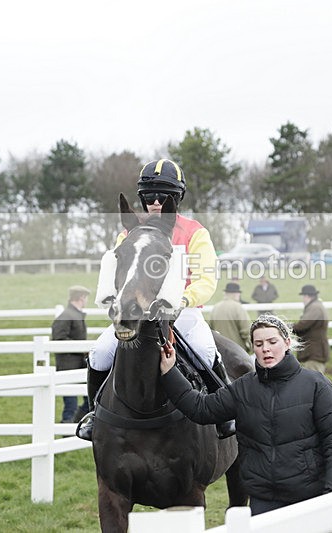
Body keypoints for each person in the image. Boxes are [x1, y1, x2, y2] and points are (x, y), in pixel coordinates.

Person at [78, 158, 233, 440]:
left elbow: (206, 279)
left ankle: (223, 416)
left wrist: (181, 300)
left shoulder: (195, 232)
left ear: (177, 198)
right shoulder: (127, 233)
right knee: (100, 353)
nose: (157, 202)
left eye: (165, 196)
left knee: (205, 351)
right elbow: (117, 272)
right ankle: (93, 415)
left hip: (182, 312)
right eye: (150, 196)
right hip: (137, 313)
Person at [160, 314, 332, 515]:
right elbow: (201, 409)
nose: (265, 349)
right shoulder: (243, 387)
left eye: (272, 342)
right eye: (258, 344)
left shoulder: (317, 385)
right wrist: (170, 372)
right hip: (263, 501)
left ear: (287, 343)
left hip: (309, 497)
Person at [51, 285, 91, 423]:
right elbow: (58, 338)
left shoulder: (74, 315)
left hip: (78, 365)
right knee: (71, 405)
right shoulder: (67, 316)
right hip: (68, 366)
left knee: (89, 399)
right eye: (86, 298)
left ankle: (75, 425)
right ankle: (68, 430)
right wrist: (82, 349)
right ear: (81, 298)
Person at [292, 284, 329, 374]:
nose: (303, 300)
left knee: (313, 383)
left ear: (307, 296)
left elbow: (303, 325)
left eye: (303, 296)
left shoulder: (314, 308)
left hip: (313, 353)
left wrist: (287, 327)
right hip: (314, 351)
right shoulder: (317, 306)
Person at [208, 282, 251, 352]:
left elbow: (211, 329)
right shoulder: (238, 307)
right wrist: (250, 348)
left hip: (219, 349)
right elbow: (246, 331)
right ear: (236, 294)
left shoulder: (215, 308)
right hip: (237, 350)